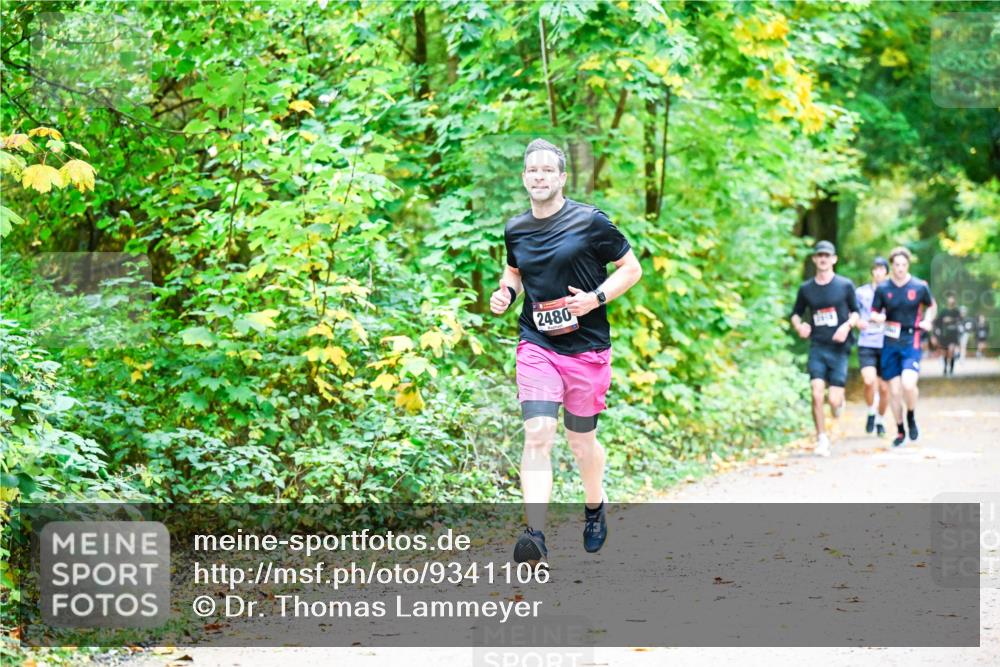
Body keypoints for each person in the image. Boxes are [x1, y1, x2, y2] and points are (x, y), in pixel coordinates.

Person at [490, 138, 642, 564]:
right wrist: (505, 292)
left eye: (546, 170)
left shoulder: (591, 222)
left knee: (581, 443)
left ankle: (594, 507)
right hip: (536, 343)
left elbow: (632, 269)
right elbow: (515, 272)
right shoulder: (516, 228)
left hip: (586, 348)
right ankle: (534, 534)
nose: (538, 176)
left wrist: (595, 298)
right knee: (538, 433)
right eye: (531, 170)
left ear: (561, 177)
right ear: (524, 178)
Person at [790, 240, 860, 457]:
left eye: (827, 255)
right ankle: (821, 438)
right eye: (819, 255)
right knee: (816, 393)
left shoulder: (845, 285)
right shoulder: (806, 289)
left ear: (834, 259)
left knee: (833, 400)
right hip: (818, 346)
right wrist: (799, 326)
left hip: (839, 347)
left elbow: (856, 313)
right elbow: (795, 313)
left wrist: (847, 326)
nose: (823, 259)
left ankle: (839, 404)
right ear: (814, 259)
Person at [870, 247, 936, 447]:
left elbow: (932, 306)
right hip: (890, 343)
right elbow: (873, 312)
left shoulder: (919, 286)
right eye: (896, 265)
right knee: (894, 390)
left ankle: (911, 416)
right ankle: (900, 430)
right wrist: (878, 317)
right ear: (891, 266)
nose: (899, 268)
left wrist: (928, 320)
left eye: (903, 265)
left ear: (908, 265)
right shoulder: (883, 288)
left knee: (908, 384)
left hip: (911, 340)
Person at [854, 257, 890, 436]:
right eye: (875, 269)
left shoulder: (893, 292)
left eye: (882, 269)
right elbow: (850, 311)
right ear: (872, 272)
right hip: (867, 342)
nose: (878, 272)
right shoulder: (861, 293)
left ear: (887, 272)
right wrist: (858, 321)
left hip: (887, 344)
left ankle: (880, 420)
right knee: (869, 381)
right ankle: (870, 411)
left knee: (884, 388)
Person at [936, 294, 961, 376]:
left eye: (952, 299)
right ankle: (945, 367)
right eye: (949, 299)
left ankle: (951, 369)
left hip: (953, 335)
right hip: (945, 335)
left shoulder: (956, 311)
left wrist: (951, 320)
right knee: (945, 352)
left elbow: (960, 320)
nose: (951, 301)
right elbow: (938, 321)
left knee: (951, 350)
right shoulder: (944, 311)